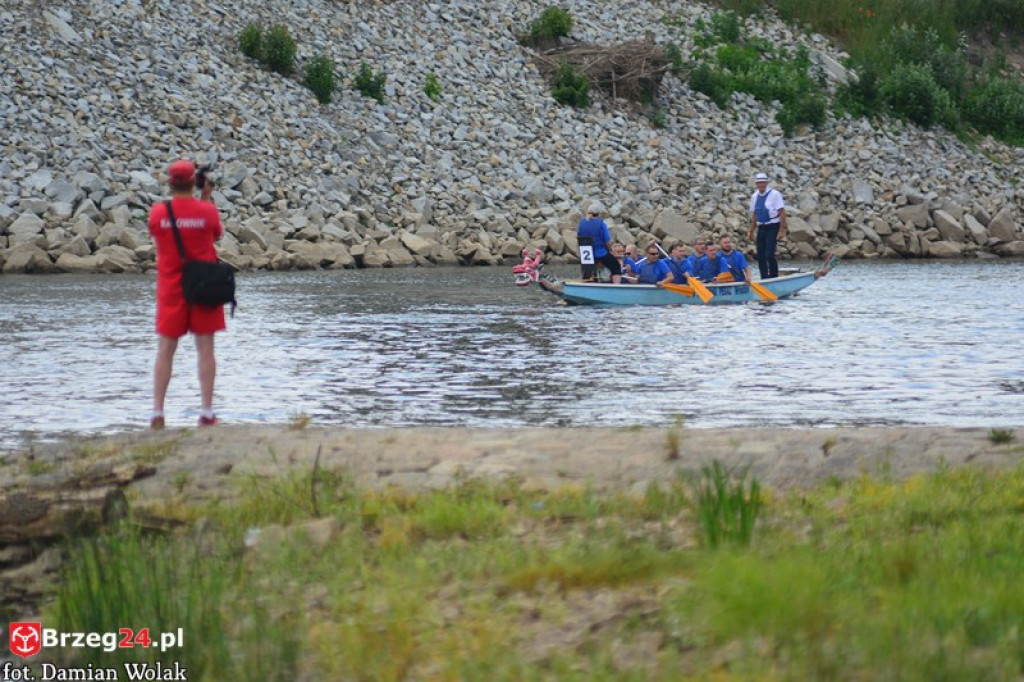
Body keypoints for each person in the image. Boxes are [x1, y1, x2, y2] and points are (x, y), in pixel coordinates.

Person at [148, 160, 225, 429]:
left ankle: (157, 412)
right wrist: (205, 197)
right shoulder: (206, 211)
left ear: (170, 183)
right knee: (205, 349)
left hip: (171, 287)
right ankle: (206, 411)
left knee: (165, 350)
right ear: (195, 181)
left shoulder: (159, 212)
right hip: (203, 286)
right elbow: (216, 235)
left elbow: (156, 234)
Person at [747, 172, 787, 280]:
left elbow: (782, 212)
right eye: (760, 183)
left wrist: (781, 231)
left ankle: (774, 276)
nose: (762, 185)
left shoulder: (775, 194)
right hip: (762, 227)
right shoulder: (754, 196)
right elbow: (755, 214)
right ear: (757, 184)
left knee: (769, 253)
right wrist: (751, 231)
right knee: (760, 255)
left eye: (764, 183)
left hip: (773, 225)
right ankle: (764, 277)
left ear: (767, 183)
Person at [576, 202, 621, 284]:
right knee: (616, 266)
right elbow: (608, 242)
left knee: (587, 271)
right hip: (599, 254)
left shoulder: (581, 224)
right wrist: (610, 251)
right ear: (598, 214)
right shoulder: (601, 224)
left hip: (586, 255)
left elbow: (579, 238)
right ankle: (616, 287)